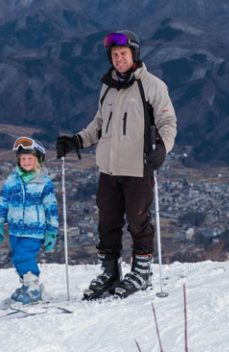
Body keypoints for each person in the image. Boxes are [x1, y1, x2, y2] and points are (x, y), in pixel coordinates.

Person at [56, 30, 177, 300]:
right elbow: (99, 125)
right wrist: (77, 140)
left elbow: (169, 123)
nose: (119, 58)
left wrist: (162, 149)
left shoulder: (153, 86)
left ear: (134, 54)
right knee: (107, 222)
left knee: (138, 221)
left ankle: (141, 272)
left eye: (123, 53)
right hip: (108, 168)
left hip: (138, 167)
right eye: (114, 55)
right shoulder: (108, 86)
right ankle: (110, 272)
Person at [0, 137, 58, 305]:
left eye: (30, 158)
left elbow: (51, 207)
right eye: (23, 158)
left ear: (38, 160)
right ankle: (28, 286)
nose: (26, 161)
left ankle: (33, 290)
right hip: (15, 229)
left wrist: (52, 231)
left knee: (24, 256)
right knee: (17, 258)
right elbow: (3, 203)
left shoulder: (44, 182)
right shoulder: (12, 180)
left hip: (35, 230)